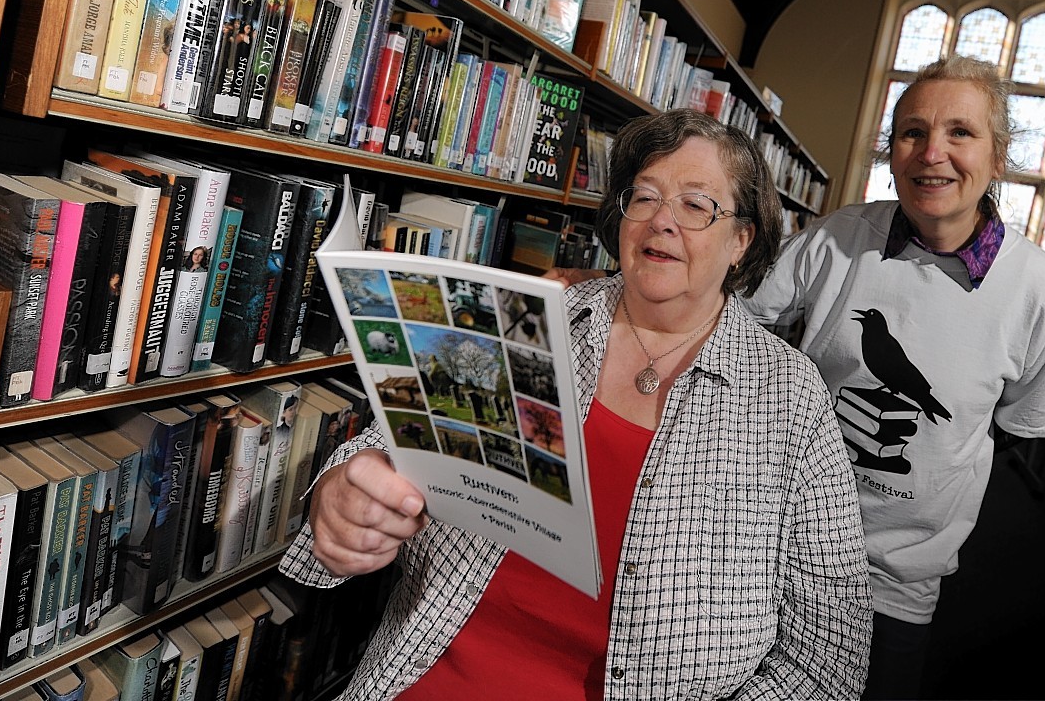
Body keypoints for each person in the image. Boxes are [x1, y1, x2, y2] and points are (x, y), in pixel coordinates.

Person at [280, 110, 872, 700]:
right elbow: (387, 443)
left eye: (696, 205)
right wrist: (342, 494)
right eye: (644, 197)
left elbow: (826, 656)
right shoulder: (532, 318)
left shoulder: (787, 396)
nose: (661, 221)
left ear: (741, 239)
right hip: (426, 678)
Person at [552, 55, 1045, 699]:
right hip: (756, 541)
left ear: (999, 157)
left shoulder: (1042, 295)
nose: (932, 152)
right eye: (912, 132)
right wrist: (609, 291)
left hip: (895, 575)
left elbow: (1022, 425)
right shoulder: (838, 239)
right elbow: (720, 306)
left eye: (960, 133)